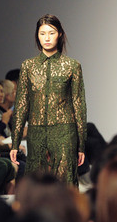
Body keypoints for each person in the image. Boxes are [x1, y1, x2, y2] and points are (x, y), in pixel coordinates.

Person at [10, 14, 86, 186]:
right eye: (42, 33)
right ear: (37, 36)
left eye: (51, 33)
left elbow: (78, 105)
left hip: (64, 131)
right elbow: (21, 105)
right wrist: (15, 142)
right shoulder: (28, 66)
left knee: (65, 182)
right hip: (36, 131)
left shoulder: (72, 66)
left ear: (60, 34)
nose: (47, 38)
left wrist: (81, 145)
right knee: (37, 183)